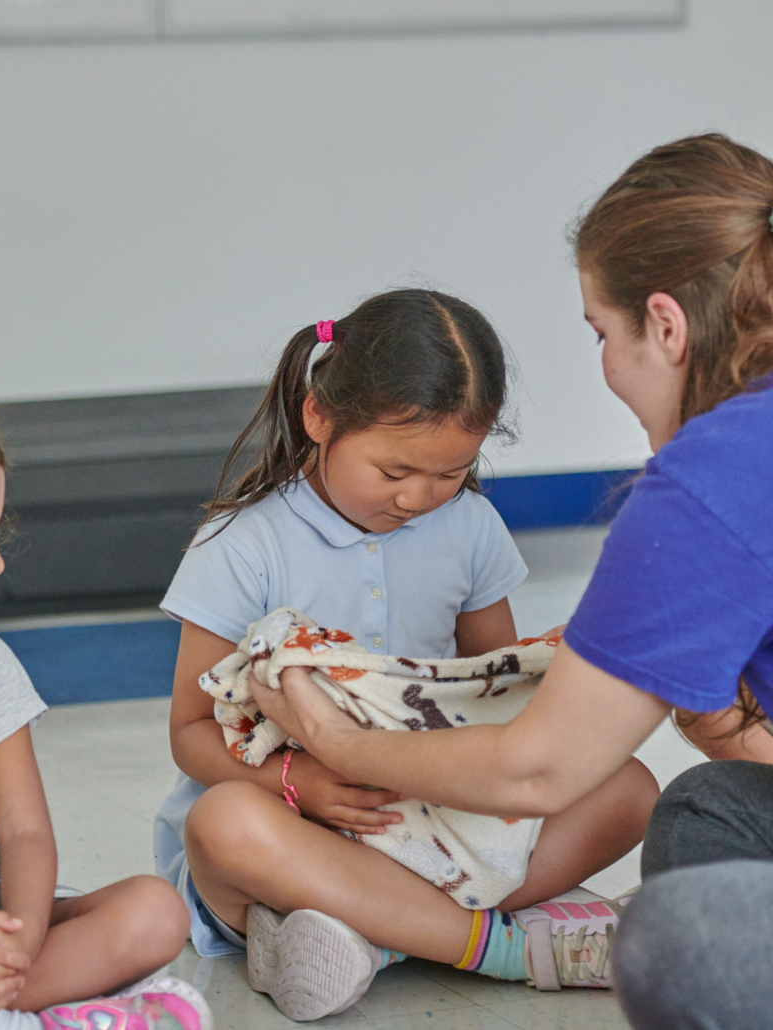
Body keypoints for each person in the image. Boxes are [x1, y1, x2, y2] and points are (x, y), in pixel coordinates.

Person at [253, 136, 773, 1030]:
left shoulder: (717, 479)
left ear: (666, 325)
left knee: (674, 938)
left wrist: (332, 738)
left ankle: (445, 937)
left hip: (411, 777)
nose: (606, 363)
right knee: (707, 813)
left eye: (602, 334)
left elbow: (536, 768)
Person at [154, 288, 659, 1019]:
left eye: (450, 473)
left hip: (430, 812)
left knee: (631, 787)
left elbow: (496, 694)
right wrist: (301, 783)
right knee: (222, 825)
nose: (419, 498)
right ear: (318, 416)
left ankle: (380, 936)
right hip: (295, 817)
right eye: (394, 473)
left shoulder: (471, 526)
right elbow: (191, 732)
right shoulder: (241, 545)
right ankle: (501, 947)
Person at [0, 424, 212, 1030]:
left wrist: (20, 942)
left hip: (3, 921)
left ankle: (17, 999)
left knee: (155, 911)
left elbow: (25, 833)